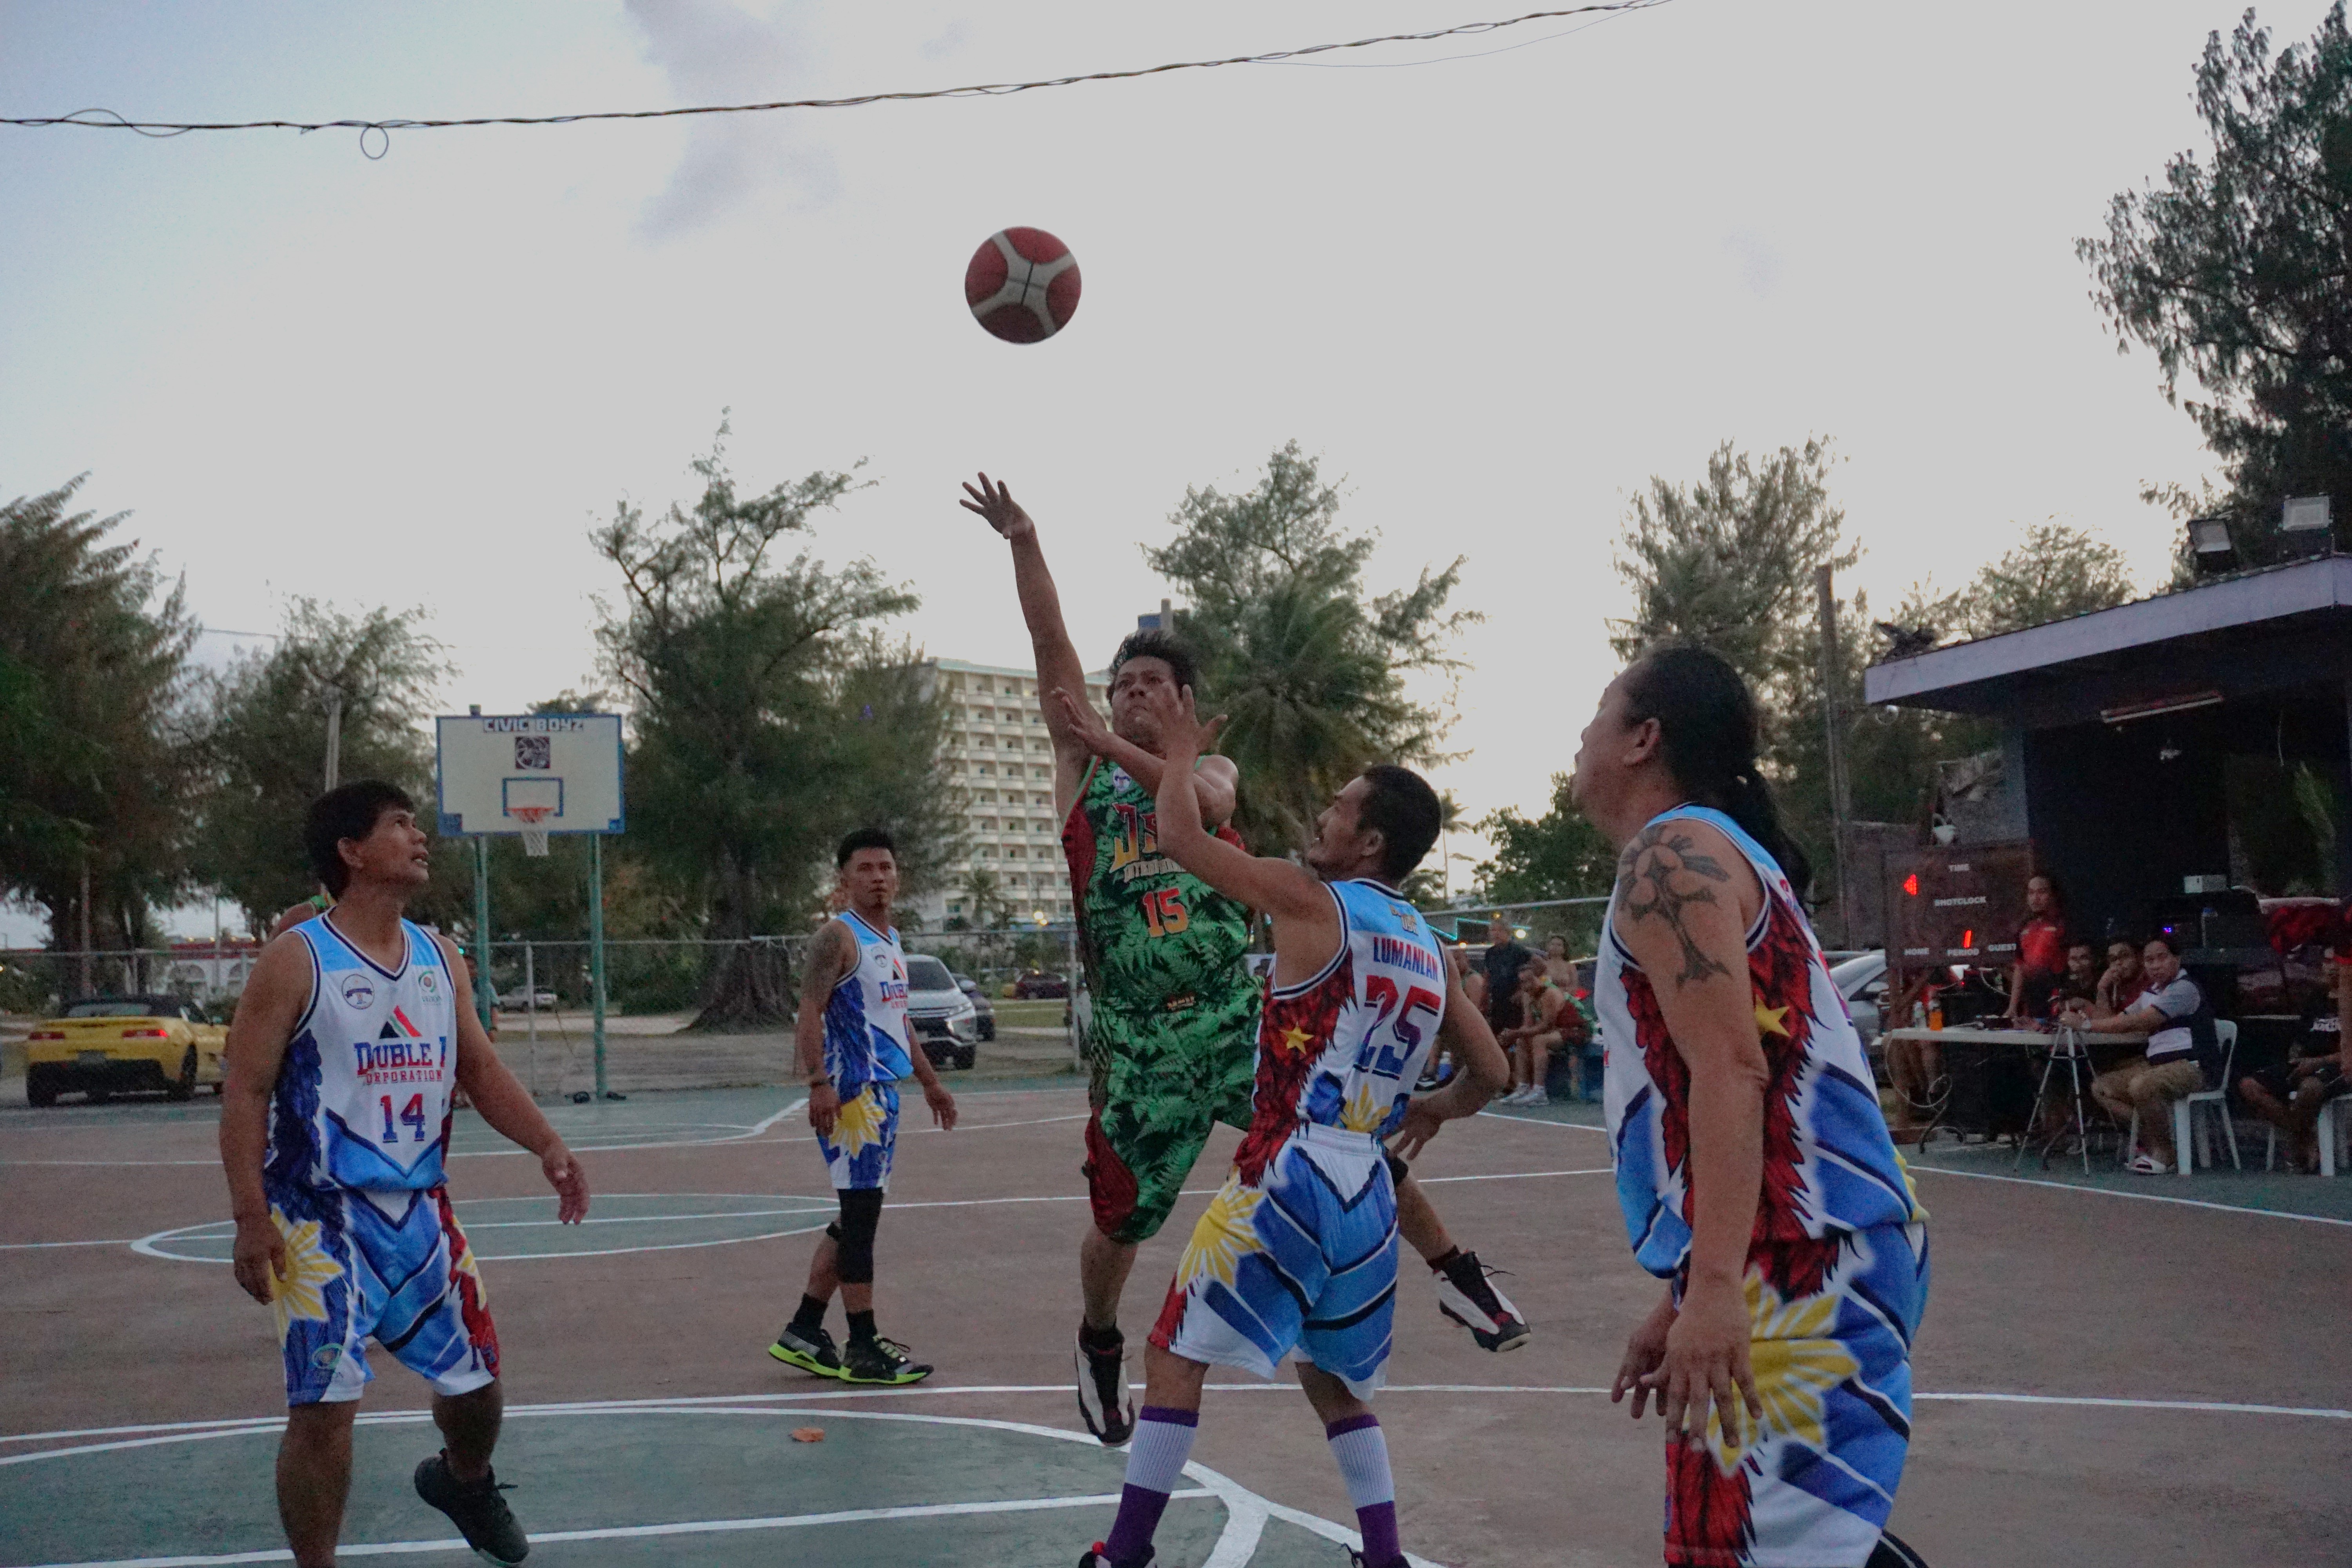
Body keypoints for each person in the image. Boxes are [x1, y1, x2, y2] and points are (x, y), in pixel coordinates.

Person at [965, 473, 1528, 1446]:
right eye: (1120, 686)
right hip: (1139, 1042)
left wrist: (1149, 747)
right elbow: (1050, 652)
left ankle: (1462, 1275)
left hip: (1234, 1015)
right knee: (1120, 1221)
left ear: (1186, 704)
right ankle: (1098, 1339)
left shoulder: (1210, 773)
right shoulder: (1084, 769)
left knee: (1345, 1144)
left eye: (1151, 686)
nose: (1130, 696)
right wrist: (1024, 543)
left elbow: (1206, 803)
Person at [1073, 682, 1509, 1568]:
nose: (1323, 813)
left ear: (1371, 841)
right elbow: (1492, 1072)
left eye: (1340, 807)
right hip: (1365, 1193)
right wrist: (1431, 1106)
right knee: (1334, 1379)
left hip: (1289, 1167)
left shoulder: (1313, 901)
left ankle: (1124, 1554)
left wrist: (1184, 753)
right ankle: (1382, 1555)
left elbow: (1180, 838)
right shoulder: (1428, 940)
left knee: (1172, 1357)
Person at [1573, 642, 1930, 1568]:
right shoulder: (1712, 851)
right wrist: (1691, 1280)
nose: (1580, 734)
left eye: (1600, 710)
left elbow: (1731, 1072)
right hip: (1810, 1239)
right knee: (1792, 1537)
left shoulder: (1673, 857)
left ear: (1643, 738)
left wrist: (1720, 1286)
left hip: (1802, 1252)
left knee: (1731, 1545)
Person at [219, 782, 591, 1568]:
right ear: (352, 851)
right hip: (316, 1216)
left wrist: (548, 1144)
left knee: (478, 1383)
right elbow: (246, 1088)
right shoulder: (297, 958)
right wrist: (250, 1214)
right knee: (324, 1407)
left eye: (416, 822)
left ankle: (465, 1479)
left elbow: (481, 1068)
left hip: (421, 1211)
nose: (419, 836)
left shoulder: (438, 955)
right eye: (399, 824)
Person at [769, 829, 959, 1384]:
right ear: (844, 879)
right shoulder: (838, 938)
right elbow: (810, 1010)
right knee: (860, 1218)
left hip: (884, 1091)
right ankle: (862, 1344)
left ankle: (804, 1328)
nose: (878, 877)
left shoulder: (891, 941)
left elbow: (898, 1024)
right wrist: (818, 1082)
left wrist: (930, 1083)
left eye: (886, 867)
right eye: (866, 868)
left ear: (898, 877)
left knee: (857, 1214)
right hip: (852, 1095)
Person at [2074, 933, 2221, 1174]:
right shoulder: (2150, 994)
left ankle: (2165, 1154)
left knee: (2142, 1085)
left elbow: (2142, 1021)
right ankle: (2152, 1141)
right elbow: (2115, 1022)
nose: (2154, 966)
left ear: (2177, 959)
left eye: (2160, 959)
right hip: (2157, 1065)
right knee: (2102, 1087)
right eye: (2149, 960)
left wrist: (2086, 1026)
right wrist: (2101, 989)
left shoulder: (2185, 989)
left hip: (2193, 1066)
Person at [2238, 962, 2350, 1173]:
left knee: (2309, 1088)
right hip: (2306, 1062)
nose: (2331, 967)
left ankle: (2299, 1145)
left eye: (2337, 962)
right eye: (2326, 962)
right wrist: (2296, 1058)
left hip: (2338, 1066)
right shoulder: (2316, 999)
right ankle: (2305, 1139)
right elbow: (2299, 1038)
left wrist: (2319, 1062)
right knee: (2249, 1086)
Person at [1497, 952, 1573, 1106]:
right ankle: (1523, 1087)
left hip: (1573, 1029)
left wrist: (1517, 1033)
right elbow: (1528, 1025)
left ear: (1539, 978)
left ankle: (1539, 1091)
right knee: (1521, 1041)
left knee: (1540, 1040)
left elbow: (1547, 1026)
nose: (1528, 986)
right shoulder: (1527, 995)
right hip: (1554, 1032)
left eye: (1531, 981)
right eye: (1523, 983)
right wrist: (1516, 1035)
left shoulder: (1549, 993)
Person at [2004, 873, 2067, 1023]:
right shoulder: (2024, 927)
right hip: (2032, 1002)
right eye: (2031, 893)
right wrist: (2013, 1007)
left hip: (2059, 999)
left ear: (2053, 895)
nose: (2035, 898)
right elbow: (2020, 968)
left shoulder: (2064, 925)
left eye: (2042, 892)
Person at [2094, 939, 2149, 1018]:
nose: (2118, 963)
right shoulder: (2112, 984)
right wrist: (2102, 989)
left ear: (2140, 958)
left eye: (2124, 956)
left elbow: (2114, 1026)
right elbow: (2101, 1022)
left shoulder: (2151, 983)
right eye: (2113, 959)